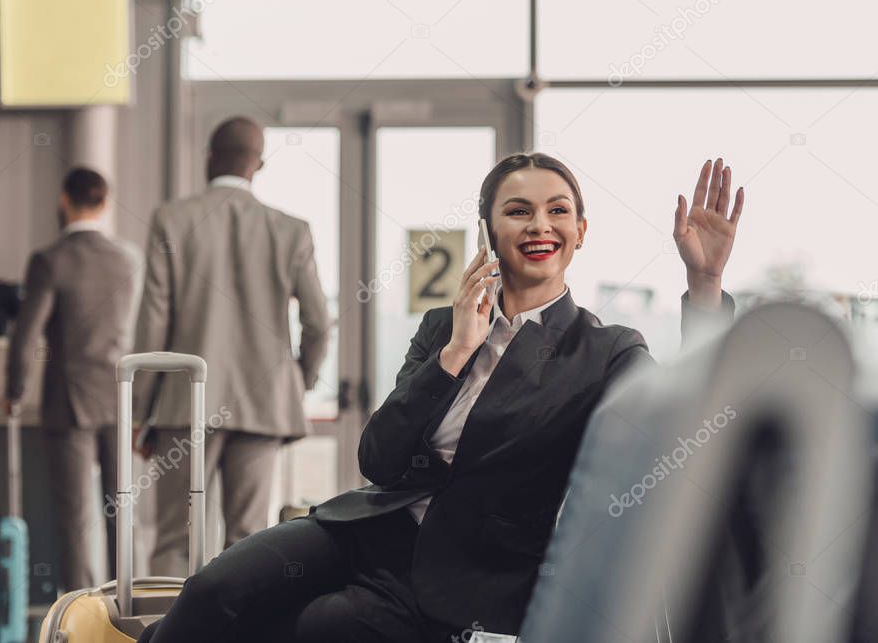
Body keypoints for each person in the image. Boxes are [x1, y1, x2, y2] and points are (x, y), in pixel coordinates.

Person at [138, 154, 745, 643]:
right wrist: (456, 352)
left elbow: (679, 419)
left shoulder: (605, 349)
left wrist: (705, 287)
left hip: (469, 568)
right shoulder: (443, 327)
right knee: (214, 591)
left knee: (315, 627)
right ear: (489, 229)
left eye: (558, 211)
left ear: (580, 232)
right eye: (518, 211)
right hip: (372, 525)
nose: (540, 226)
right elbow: (378, 458)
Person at [132, 116, 331, 575]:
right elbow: (319, 323)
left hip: (186, 405)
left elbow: (153, 321)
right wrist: (293, 382)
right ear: (257, 165)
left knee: (175, 540)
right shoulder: (291, 229)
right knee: (249, 542)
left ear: (208, 157)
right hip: (262, 404)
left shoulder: (173, 219)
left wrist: (142, 410)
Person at [3, 167, 141, 592]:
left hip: (69, 402)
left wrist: (14, 391)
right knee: (122, 511)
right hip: (119, 398)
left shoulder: (50, 260)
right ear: (104, 204)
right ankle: (128, 615)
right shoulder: (128, 258)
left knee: (76, 521)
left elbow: (25, 337)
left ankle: (83, 620)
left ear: (65, 200)